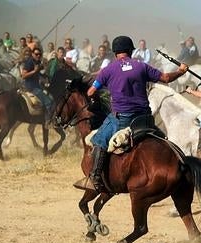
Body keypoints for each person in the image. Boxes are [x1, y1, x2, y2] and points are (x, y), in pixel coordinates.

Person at [77, 36, 188, 192]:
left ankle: (94, 178)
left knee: (98, 140)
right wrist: (181, 71)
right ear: (131, 50)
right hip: (144, 118)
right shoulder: (141, 66)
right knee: (164, 141)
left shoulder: (107, 70)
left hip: (122, 118)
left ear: (115, 52)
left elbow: (91, 91)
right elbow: (166, 78)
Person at [21, 47, 53, 127]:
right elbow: (23, 75)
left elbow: (37, 73)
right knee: (49, 102)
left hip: (37, 86)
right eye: (36, 54)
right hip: (31, 87)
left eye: (39, 54)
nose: (38, 55)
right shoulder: (29, 62)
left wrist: (45, 76)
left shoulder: (37, 62)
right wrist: (34, 71)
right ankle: (48, 121)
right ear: (32, 54)